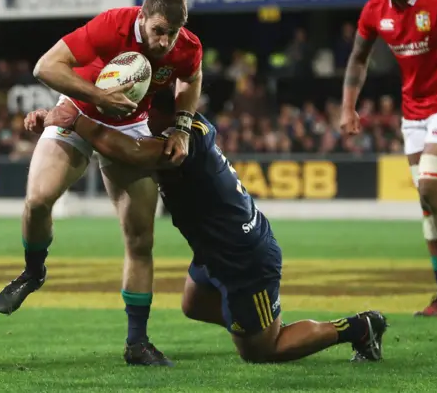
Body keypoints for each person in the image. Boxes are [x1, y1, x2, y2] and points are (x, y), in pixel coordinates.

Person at [21, 89, 388, 364]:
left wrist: (75, 119)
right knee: (192, 305)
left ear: (162, 113)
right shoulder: (185, 129)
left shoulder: (180, 147)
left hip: (242, 259)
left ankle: (360, 327)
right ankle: (257, 321)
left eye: (142, 111)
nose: (136, 118)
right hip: (216, 250)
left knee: (261, 352)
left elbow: (127, 151)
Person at [0, 0, 203, 366]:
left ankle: (137, 343)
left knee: (140, 239)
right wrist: (99, 96)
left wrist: (182, 125)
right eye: (158, 30)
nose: (164, 42)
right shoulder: (112, 25)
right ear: (142, 17)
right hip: (76, 112)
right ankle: (33, 271)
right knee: (38, 200)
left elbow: (191, 77)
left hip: (129, 127)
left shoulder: (187, 46)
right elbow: (46, 66)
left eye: (172, 33)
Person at [340, 0, 437, 317]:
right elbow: (357, 58)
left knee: (431, 187)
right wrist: (348, 107)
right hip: (412, 114)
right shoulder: (375, 10)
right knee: (426, 202)